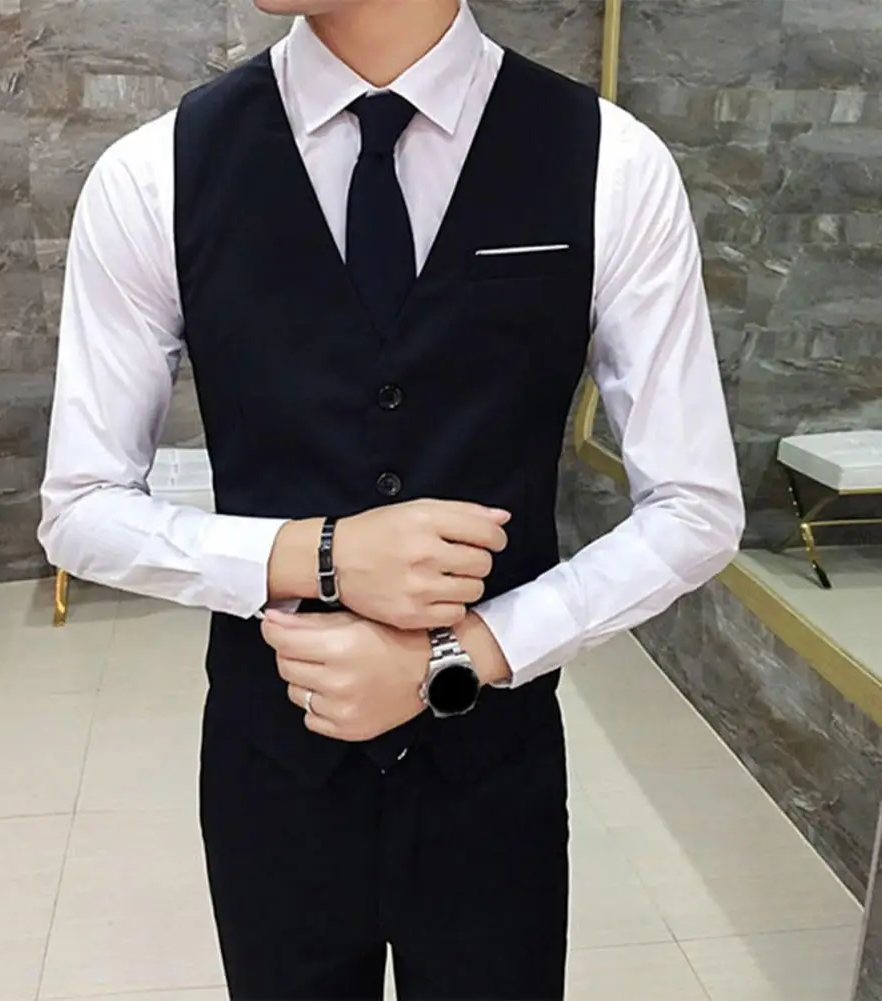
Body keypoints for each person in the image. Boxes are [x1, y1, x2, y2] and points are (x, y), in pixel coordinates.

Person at [38, 1, 745, 997]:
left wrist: (460, 654)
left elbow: (694, 508)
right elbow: (79, 506)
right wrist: (319, 555)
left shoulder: (610, 164)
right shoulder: (154, 174)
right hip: (271, 767)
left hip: (492, 770)